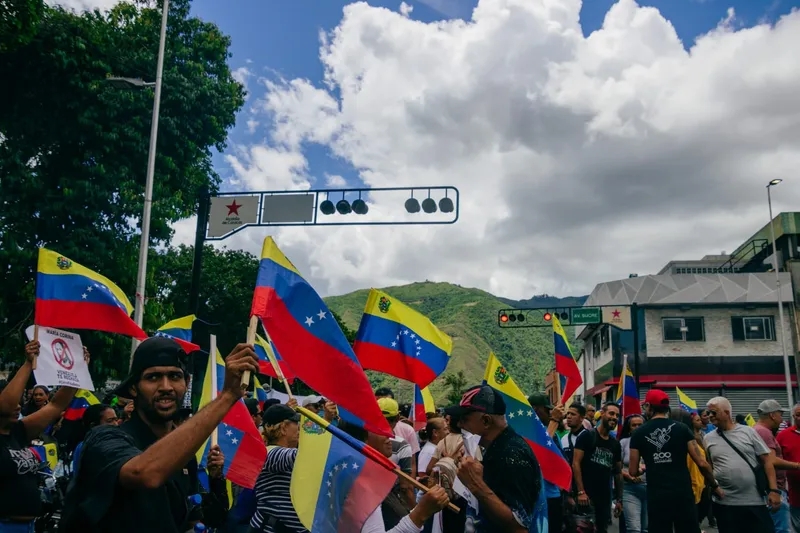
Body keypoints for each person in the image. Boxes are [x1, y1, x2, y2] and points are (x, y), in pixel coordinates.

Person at [60, 336, 258, 533]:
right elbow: (145, 473)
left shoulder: (184, 457)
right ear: (133, 388)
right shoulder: (104, 439)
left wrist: (216, 480)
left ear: (186, 383)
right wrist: (228, 396)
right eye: (153, 377)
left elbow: (199, 519)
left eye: (175, 376)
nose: (166, 387)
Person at [0, 340, 86, 532]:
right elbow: (5, 407)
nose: (18, 406)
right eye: (12, 400)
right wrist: (28, 363)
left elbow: (55, 406)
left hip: (28, 526)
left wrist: (77, 374)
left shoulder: (18, 431)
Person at [452, 384, 543, 532]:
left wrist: (475, 484)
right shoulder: (495, 448)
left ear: (486, 421)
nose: (459, 424)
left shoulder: (511, 454)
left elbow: (519, 528)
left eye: (465, 419)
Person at [629, 390, 717, 533]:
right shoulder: (682, 428)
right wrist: (714, 485)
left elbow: (633, 471)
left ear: (649, 407)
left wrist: (643, 469)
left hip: (657, 496)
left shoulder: (639, 433)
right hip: (683, 495)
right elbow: (702, 463)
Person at [704, 396, 780, 533]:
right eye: (708, 413)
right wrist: (714, 486)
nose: (709, 416)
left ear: (726, 413)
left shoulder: (748, 432)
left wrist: (774, 491)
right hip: (725, 504)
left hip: (754, 502)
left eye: (713, 412)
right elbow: (709, 466)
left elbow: (767, 460)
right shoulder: (708, 438)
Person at [250, 401, 306, 533]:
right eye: (296, 423)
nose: (299, 428)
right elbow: (300, 457)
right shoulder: (269, 452)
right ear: (284, 428)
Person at [572, 402, 622, 533]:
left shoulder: (615, 444)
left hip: (604, 498)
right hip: (586, 498)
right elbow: (576, 463)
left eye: (617, 415)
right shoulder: (587, 436)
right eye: (611, 413)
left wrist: (619, 500)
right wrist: (581, 492)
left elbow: (617, 473)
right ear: (602, 414)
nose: (614, 417)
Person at [754, 399, 800, 533]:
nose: (782, 418)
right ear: (772, 415)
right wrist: (797, 466)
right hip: (781, 491)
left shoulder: (760, 431)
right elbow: (771, 461)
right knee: (782, 529)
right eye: (780, 414)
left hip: (778, 490)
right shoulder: (765, 432)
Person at [528, 393, 565, 533]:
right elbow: (540, 454)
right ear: (536, 409)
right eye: (547, 410)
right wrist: (554, 420)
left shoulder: (552, 432)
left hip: (554, 495)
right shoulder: (530, 431)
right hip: (540, 498)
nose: (550, 413)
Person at [71, 403, 119, 474]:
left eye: (116, 420)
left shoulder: (118, 442)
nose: (116, 424)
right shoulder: (86, 447)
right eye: (110, 421)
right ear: (93, 425)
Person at [618, 414, 646, 533]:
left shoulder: (653, 441)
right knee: (634, 528)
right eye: (634, 425)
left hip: (650, 489)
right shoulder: (623, 443)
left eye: (640, 425)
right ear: (629, 428)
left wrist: (644, 468)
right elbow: (616, 468)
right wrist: (628, 475)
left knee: (646, 528)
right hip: (630, 489)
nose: (637, 427)